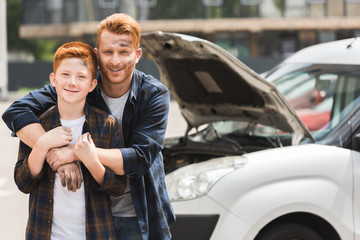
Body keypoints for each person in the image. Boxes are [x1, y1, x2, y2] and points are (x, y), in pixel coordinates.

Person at [3, 13, 175, 240]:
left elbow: (140, 158)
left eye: (124, 52)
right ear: (97, 53)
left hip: (137, 213)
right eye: (107, 52)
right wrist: (53, 151)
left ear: (137, 55)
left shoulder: (154, 94)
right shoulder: (80, 83)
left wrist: (75, 153)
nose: (115, 60)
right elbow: (16, 112)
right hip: (91, 215)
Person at [14, 41, 127, 239]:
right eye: (65, 74)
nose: (72, 82)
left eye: (81, 77)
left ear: (92, 84)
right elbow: (23, 183)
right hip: (45, 234)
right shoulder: (38, 125)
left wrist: (91, 161)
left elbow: (118, 187)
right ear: (53, 79)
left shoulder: (107, 125)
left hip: (96, 233)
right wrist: (42, 145)